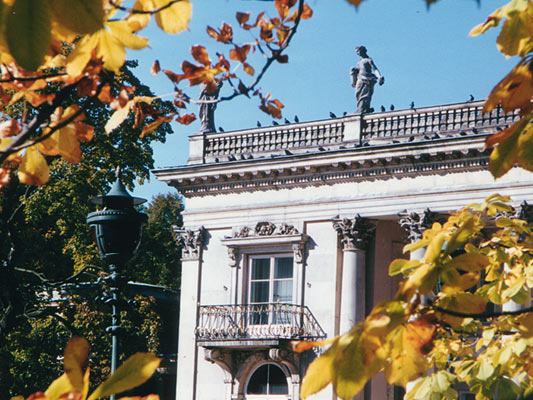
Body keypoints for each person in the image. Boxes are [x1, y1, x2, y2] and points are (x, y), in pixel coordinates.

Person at [350, 46, 384, 114]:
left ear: (363, 50)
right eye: (356, 52)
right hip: (360, 79)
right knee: (358, 93)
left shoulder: (368, 60)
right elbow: (358, 71)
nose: (357, 53)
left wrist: (379, 76)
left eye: (358, 51)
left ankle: (363, 109)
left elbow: (375, 69)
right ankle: (360, 108)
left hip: (367, 79)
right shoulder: (359, 62)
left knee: (365, 95)